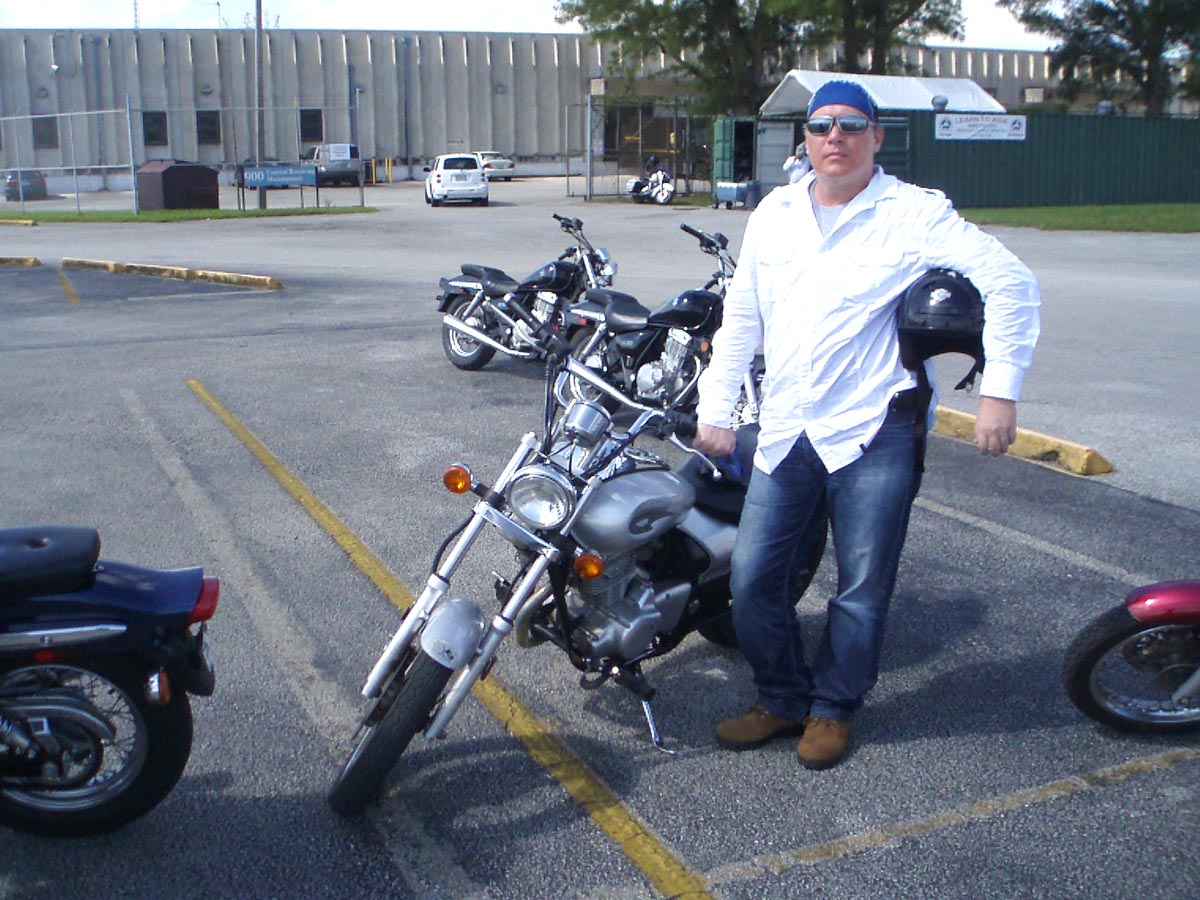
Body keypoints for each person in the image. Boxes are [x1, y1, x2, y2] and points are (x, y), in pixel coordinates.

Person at [693, 80, 1041, 770]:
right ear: (806, 138)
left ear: (876, 137)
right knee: (753, 580)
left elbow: (1011, 282)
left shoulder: (913, 213)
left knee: (860, 587)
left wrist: (1000, 392)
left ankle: (832, 708)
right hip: (787, 428)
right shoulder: (775, 214)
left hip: (875, 431)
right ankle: (780, 697)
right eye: (822, 125)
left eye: (852, 125)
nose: (836, 137)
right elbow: (742, 317)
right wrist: (716, 407)